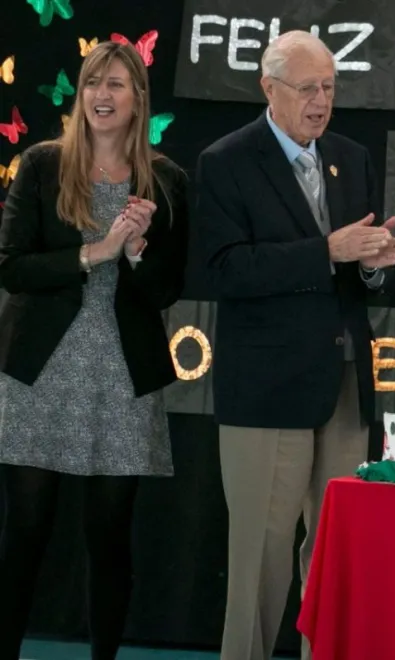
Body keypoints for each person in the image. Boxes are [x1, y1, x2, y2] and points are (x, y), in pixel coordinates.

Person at [195, 30, 395, 660]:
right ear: (269, 89)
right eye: (308, 88)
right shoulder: (227, 161)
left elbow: (367, 269)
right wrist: (326, 251)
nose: (321, 101)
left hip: (345, 385)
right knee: (259, 561)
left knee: (338, 552)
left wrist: (376, 264)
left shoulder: (351, 156)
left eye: (330, 88)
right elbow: (223, 271)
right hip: (266, 393)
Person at [0, 41, 188, 659]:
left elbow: (168, 288)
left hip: (122, 376)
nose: (102, 96)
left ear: (139, 100)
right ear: (81, 96)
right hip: (40, 373)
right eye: (92, 84)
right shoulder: (42, 164)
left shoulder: (166, 181)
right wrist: (94, 253)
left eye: (116, 85)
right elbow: (12, 267)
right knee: (25, 532)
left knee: (109, 537)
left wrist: (134, 253)